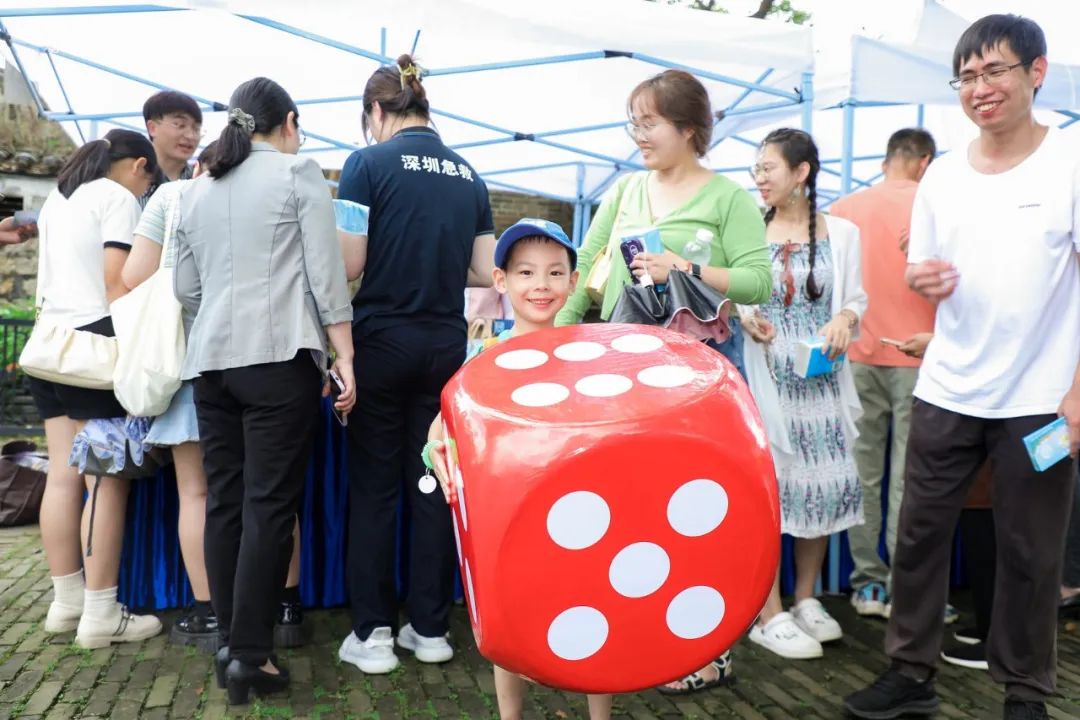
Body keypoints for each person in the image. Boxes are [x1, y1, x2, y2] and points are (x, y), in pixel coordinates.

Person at [844, 15, 1080, 720]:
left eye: (996, 71)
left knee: (1031, 551)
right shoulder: (942, 174)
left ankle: (1026, 694)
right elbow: (926, 267)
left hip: (1038, 398)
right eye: (968, 76)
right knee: (917, 534)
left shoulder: (1069, 162)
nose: (980, 88)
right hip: (947, 385)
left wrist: (1077, 394)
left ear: (1037, 73)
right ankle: (910, 674)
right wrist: (924, 282)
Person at [557, 68, 771, 695]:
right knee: (633, 510)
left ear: (688, 128)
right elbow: (588, 272)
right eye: (634, 123)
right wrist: (545, 340)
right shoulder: (625, 191)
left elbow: (761, 283)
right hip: (621, 380)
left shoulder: (728, 198)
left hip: (692, 385)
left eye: (648, 123)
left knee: (696, 511)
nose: (638, 135)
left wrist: (688, 265)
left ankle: (708, 648)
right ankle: (640, 631)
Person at [172, 77, 355, 704]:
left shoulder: (194, 189)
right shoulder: (297, 172)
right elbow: (326, 275)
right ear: (290, 121)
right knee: (269, 506)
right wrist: (345, 353)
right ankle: (252, 656)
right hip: (277, 357)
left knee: (226, 500)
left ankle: (229, 645)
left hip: (212, 362)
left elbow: (184, 290)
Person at [335, 54, 496, 674]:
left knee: (375, 489)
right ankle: (430, 629)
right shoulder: (470, 174)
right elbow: (485, 272)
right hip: (444, 348)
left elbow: (349, 262)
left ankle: (373, 633)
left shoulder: (365, 164)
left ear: (376, 112)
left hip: (381, 341)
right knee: (432, 484)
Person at [122, 143, 307, 651]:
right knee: (274, 494)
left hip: (194, 360)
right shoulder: (276, 188)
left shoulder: (177, 197)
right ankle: (286, 606)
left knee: (204, 495)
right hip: (271, 355)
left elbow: (135, 278)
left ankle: (212, 614)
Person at [426, 219, 613, 720]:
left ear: (573, 283)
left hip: (581, 512)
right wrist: (436, 452)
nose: (541, 285)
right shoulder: (485, 357)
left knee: (595, 604)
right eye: (526, 272)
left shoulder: (586, 356)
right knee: (509, 615)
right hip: (508, 519)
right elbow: (442, 425)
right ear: (501, 281)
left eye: (555, 273)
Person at [28, 128, 163, 649]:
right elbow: (117, 282)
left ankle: (67, 603)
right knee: (105, 480)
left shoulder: (57, 201)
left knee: (64, 474)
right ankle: (102, 612)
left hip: (49, 351)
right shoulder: (117, 198)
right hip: (93, 353)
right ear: (138, 167)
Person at [743, 128, 867, 660]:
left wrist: (844, 317)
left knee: (822, 483)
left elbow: (856, 298)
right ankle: (765, 610)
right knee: (771, 491)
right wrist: (747, 319)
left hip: (823, 381)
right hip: (769, 380)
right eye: (756, 167)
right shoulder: (748, 228)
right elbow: (734, 294)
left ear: (802, 172)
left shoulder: (843, 233)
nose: (759, 177)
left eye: (769, 167)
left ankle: (805, 597)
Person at [828, 128, 936, 619]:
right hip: (921, 354)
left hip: (856, 352)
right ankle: (904, 588)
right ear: (924, 161)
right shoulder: (936, 202)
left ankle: (867, 583)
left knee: (863, 474)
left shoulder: (846, 207)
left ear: (888, 157)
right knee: (909, 478)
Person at [140, 90, 201, 205]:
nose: (190, 136)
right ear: (152, 128)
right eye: (180, 125)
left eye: (196, 128)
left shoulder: (200, 180)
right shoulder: (133, 181)